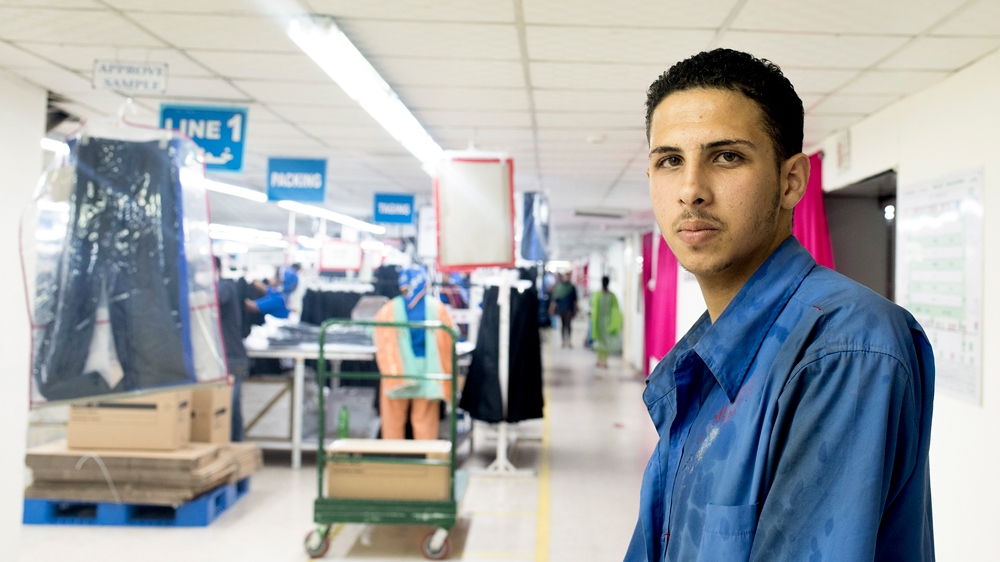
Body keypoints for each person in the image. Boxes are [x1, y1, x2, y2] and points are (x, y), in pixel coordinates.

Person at [626, 49, 935, 561]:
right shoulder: (707, 352)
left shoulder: (843, 348)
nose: (691, 190)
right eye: (670, 161)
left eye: (726, 156)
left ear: (791, 181)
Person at [372, 265, 455, 440]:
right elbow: (452, 335)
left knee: (392, 423)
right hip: (428, 372)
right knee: (425, 424)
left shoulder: (389, 309)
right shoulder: (437, 308)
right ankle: (427, 464)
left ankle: (393, 462)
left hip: (398, 372)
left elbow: (374, 334)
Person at [214, 257, 249, 442]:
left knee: (230, 408)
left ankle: (236, 451)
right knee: (226, 410)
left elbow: (217, 298)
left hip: (233, 359)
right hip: (221, 359)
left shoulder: (225, 286)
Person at [590, 276, 622, 368]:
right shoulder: (600, 294)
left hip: (606, 321)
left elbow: (615, 310)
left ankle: (603, 360)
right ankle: (600, 359)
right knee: (600, 341)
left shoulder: (610, 296)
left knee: (604, 341)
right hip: (599, 321)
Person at [549, 273, 578, 348]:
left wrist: (576, 309)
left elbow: (575, 300)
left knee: (568, 325)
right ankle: (563, 341)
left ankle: (569, 341)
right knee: (562, 325)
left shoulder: (572, 287)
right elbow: (555, 299)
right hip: (561, 308)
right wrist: (552, 308)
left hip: (569, 308)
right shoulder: (559, 287)